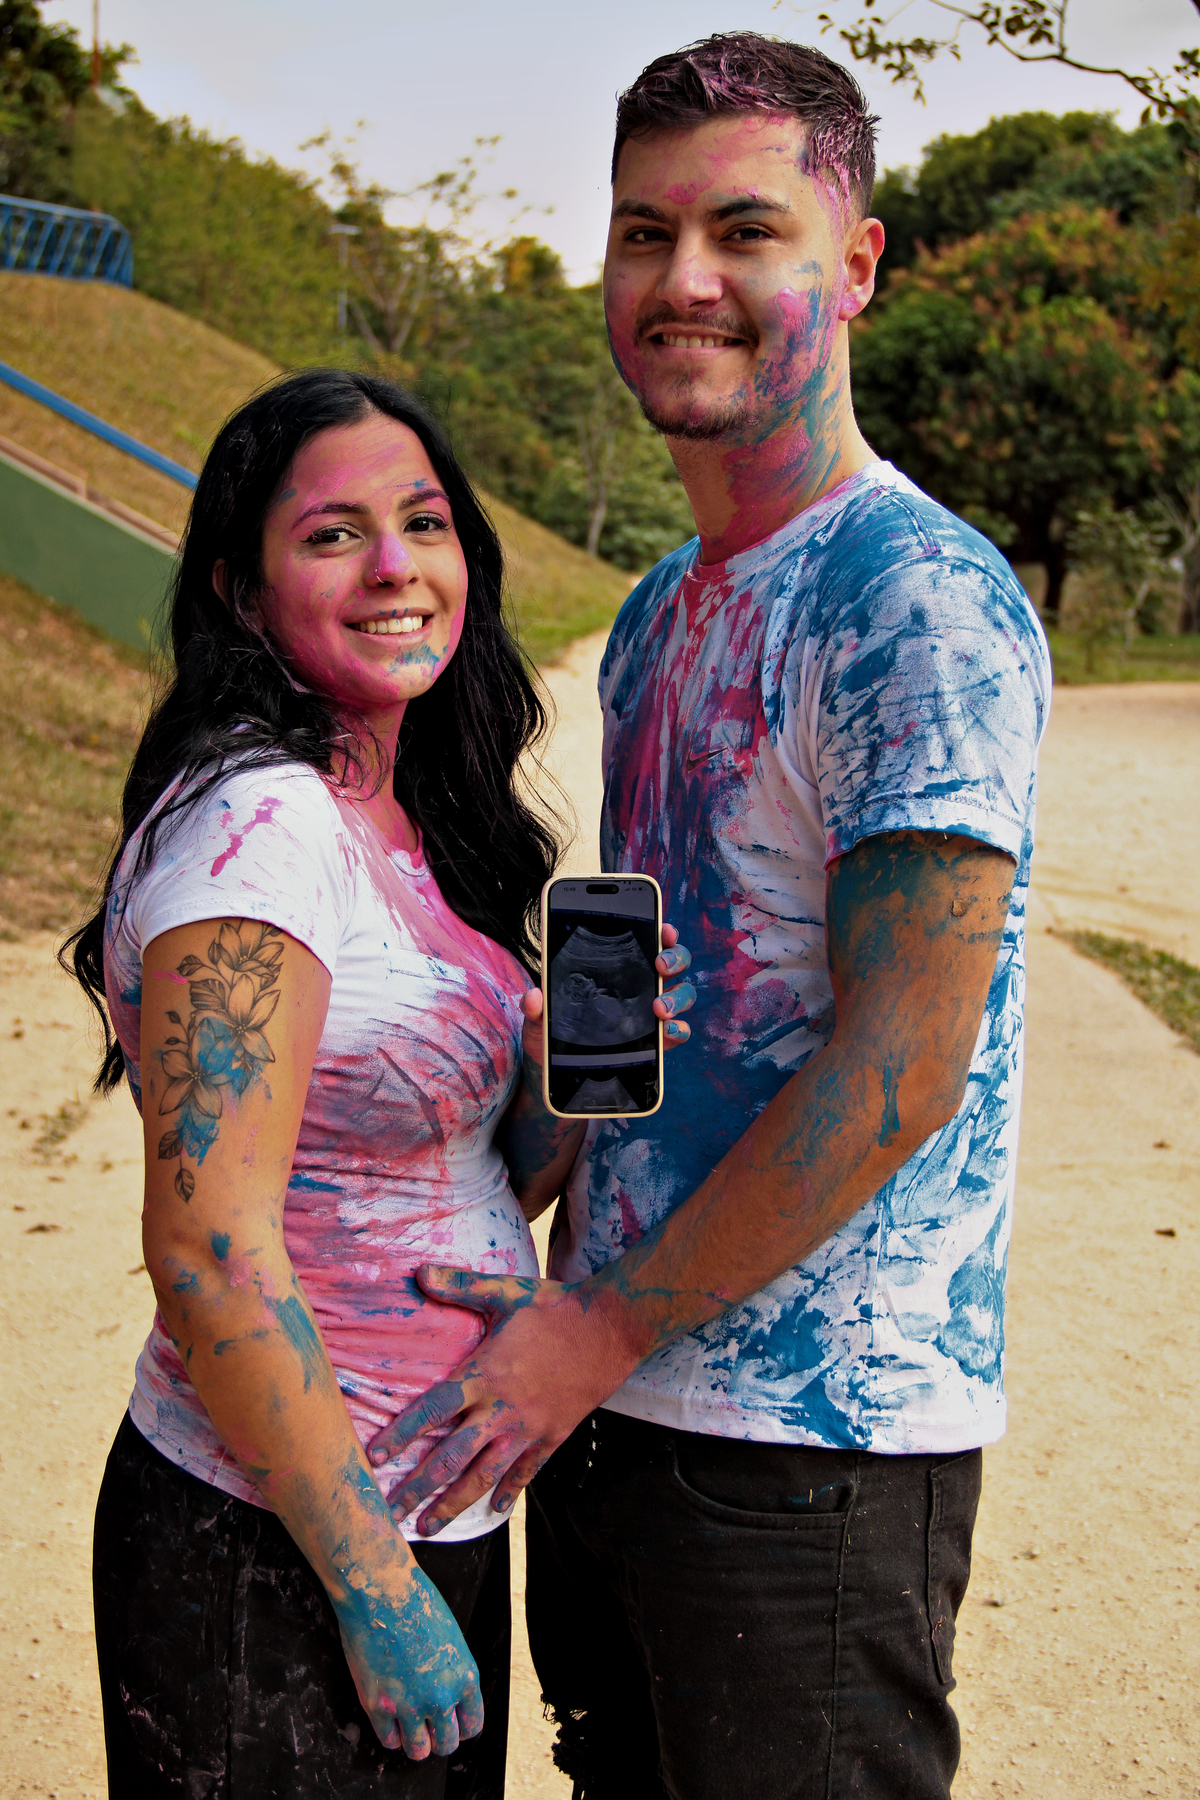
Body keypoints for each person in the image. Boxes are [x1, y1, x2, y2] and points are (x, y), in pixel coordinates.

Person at [368, 33, 1052, 1800]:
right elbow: (656, 1019)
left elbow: (903, 1069)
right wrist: (513, 1139)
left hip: (811, 1451)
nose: (684, 283)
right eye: (640, 234)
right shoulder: (673, 602)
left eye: (745, 231)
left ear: (856, 263)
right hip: (616, 1403)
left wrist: (586, 1331)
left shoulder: (918, 600)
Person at [64, 366, 694, 1797]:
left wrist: (559, 1074)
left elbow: (471, 1175)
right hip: (281, 1544)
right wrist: (371, 1585)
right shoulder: (262, 828)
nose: (398, 566)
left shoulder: (403, 816)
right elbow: (208, 1251)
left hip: (418, 1523)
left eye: (423, 522)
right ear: (240, 588)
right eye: (334, 534)